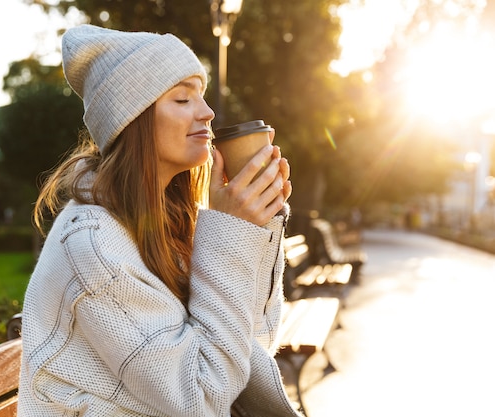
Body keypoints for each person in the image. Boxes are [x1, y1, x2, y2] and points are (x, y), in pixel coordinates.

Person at [17, 24, 300, 417]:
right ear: (132, 120)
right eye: (182, 98)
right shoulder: (94, 246)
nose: (207, 112)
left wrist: (255, 225)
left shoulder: (161, 224)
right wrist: (231, 232)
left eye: (200, 95)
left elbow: (251, 344)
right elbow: (201, 397)